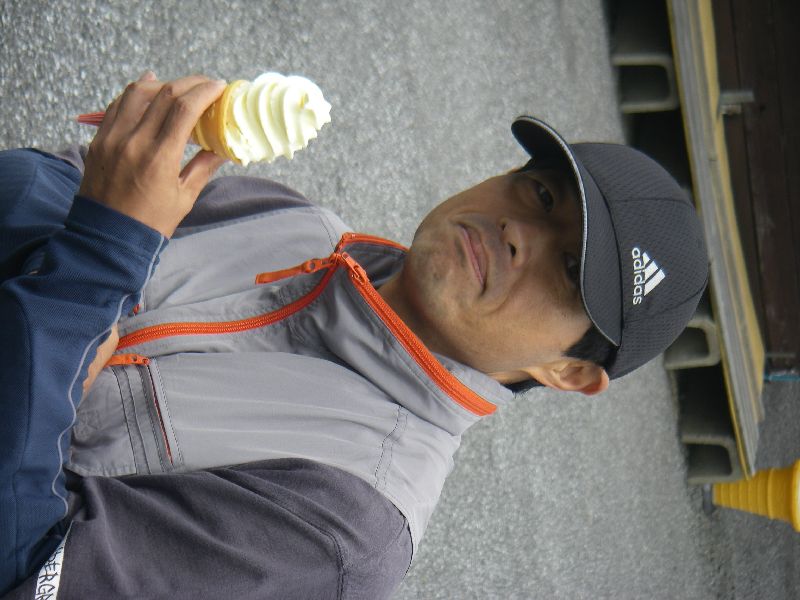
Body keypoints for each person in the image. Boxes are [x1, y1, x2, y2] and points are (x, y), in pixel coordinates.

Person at [0, 73, 708, 599]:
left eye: (569, 271)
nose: (518, 234)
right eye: (542, 195)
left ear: (569, 372)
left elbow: (29, 571)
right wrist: (117, 176)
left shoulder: (347, 526)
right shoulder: (294, 219)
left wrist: (98, 262)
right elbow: (47, 188)